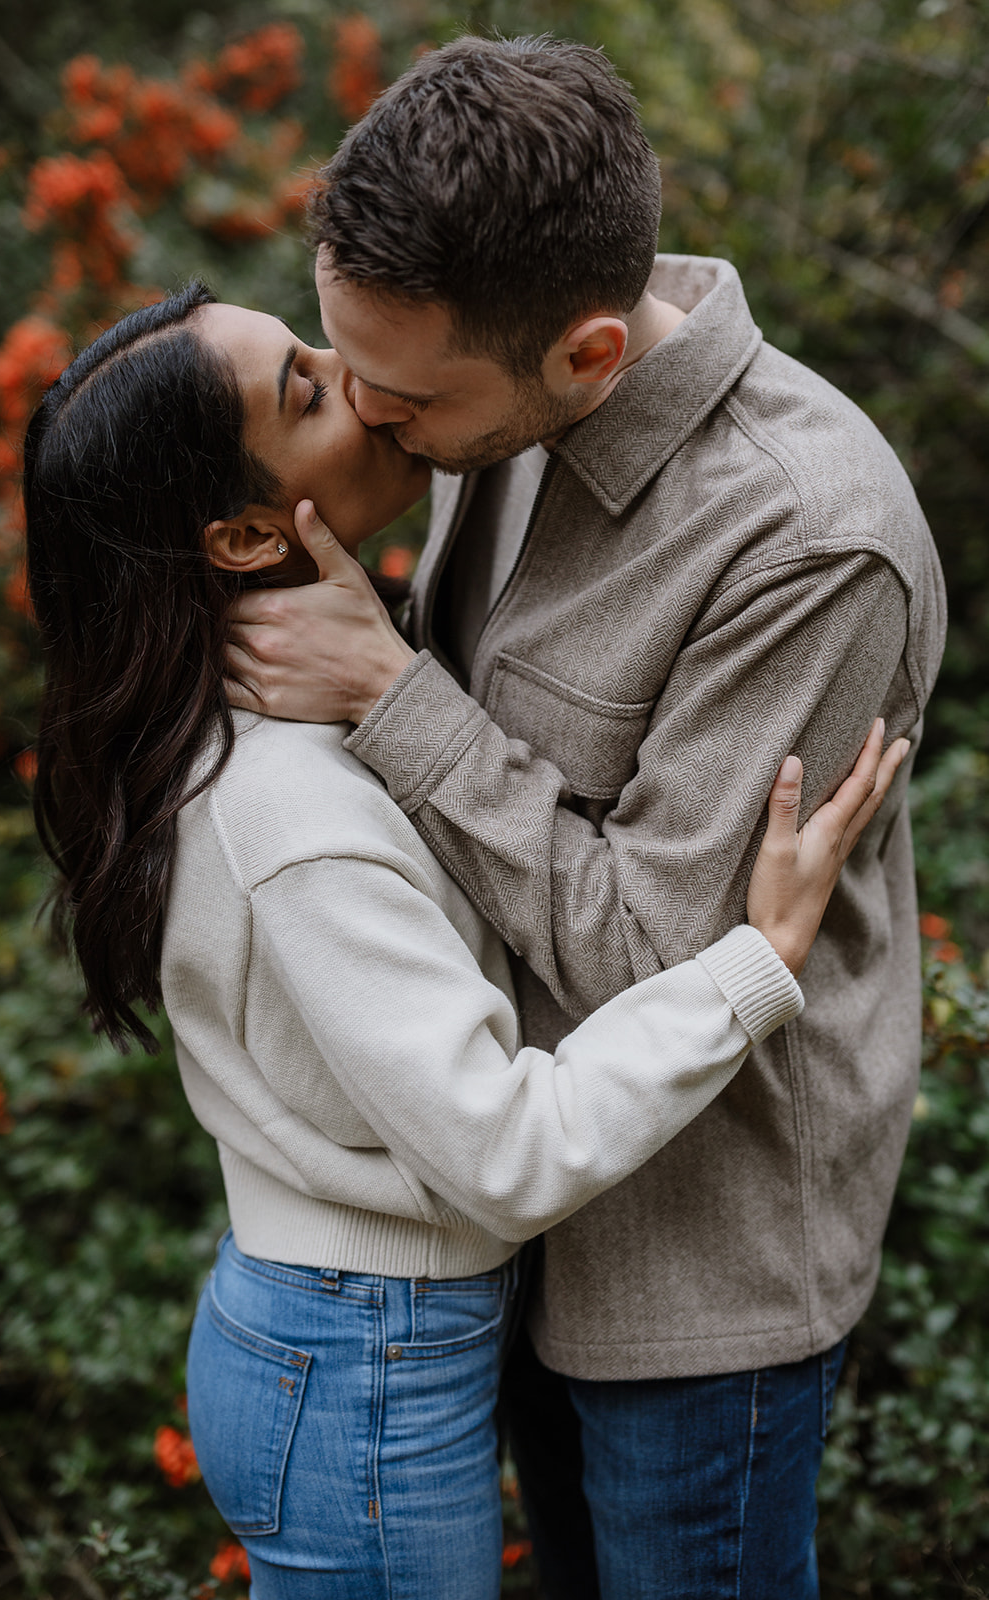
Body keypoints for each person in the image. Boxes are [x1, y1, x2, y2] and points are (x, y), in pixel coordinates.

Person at [24, 285, 907, 1600]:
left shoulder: (278, 720)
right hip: (360, 1363)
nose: (360, 383)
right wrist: (756, 962)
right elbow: (502, 1147)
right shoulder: (294, 806)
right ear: (244, 532)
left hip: (353, 1347)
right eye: (308, 392)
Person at [223, 34, 949, 1597]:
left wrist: (387, 695)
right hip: (517, 1212)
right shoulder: (490, 414)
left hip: (696, 1282)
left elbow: (661, 950)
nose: (362, 418)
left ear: (593, 352)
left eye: (402, 399)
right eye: (344, 368)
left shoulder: (809, 543)